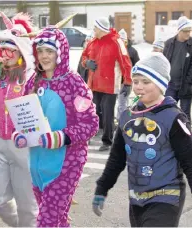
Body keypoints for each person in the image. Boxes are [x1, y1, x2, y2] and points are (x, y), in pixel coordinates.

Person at [92, 52, 192, 227]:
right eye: (136, 81)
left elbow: (189, 160)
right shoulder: (127, 116)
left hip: (166, 197)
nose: (139, 87)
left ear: (161, 84)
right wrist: (102, 188)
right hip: (137, 198)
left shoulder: (174, 118)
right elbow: (117, 158)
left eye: (146, 82)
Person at [13, 26, 99, 227]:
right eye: (40, 50)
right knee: (56, 219)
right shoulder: (34, 81)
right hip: (37, 163)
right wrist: (20, 134)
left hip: (65, 164)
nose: (44, 56)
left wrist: (59, 137)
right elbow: (25, 116)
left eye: (49, 51)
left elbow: (90, 124)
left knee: (46, 221)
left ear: (61, 52)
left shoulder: (75, 84)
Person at [0, 12, 38, 227]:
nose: (5, 52)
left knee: (27, 206)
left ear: (21, 50)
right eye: (3, 48)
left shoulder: (31, 76)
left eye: (10, 48)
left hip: (25, 147)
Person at [82, 17, 132, 151]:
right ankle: (89, 135)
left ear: (101, 29)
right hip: (94, 84)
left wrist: (127, 82)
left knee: (107, 112)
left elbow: (126, 63)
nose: (93, 30)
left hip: (110, 85)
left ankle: (107, 141)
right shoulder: (92, 42)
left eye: (95, 28)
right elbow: (84, 56)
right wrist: (86, 63)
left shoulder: (117, 42)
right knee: (93, 112)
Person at [163, 16, 192, 123]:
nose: (188, 34)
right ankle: (169, 136)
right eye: (185, 31)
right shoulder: (169, 43)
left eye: (190, 31)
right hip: (170, 85)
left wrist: (188, 82)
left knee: (185, 114)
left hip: (185, 86)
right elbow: (164, 62)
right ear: (179, 30)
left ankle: (188, 137)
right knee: (168, 111)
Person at [116, 28, 140, 122]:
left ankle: (122, 120)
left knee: (122, 101)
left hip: (127, 81)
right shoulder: (116, 49)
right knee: (120, 101)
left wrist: (132, 79)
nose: (122, 43)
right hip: (116, 81)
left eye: (124, 41)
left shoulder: (132, 51)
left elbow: (137, 65)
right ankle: (120, 118)